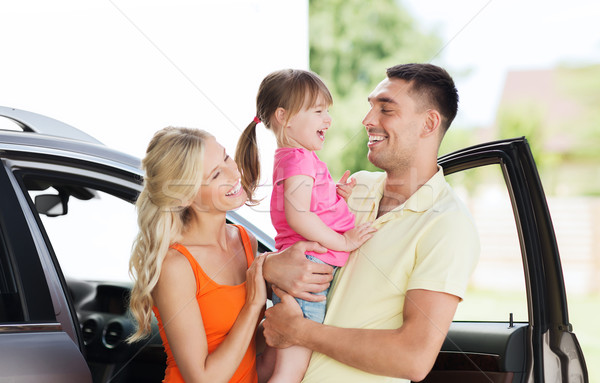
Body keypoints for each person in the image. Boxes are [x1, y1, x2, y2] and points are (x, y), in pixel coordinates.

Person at [261, 63, 481, 382]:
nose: (367, 120)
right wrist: (269, 266)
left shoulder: (448, 226)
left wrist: (301, 332)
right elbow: (296, 249)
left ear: (428, 123)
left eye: (385, 109)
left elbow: (413, 357)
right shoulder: (356, 187)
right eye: (370, 107)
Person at [235, 69, 375, 383]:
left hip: (302, 270)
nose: (328, 119)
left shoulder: (297, 157)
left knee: (272, 366)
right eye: (318, 111)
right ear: (283, 116)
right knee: (291, 371)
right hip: (308, 274)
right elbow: (298, 217)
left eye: (328, 111)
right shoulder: (299, 159)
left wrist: (336, 199)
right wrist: (345, 242)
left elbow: (306, 207)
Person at [128, 127, 268, 383]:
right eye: (216, 175)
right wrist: (253, 305)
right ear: (183, 197)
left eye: (226, 158)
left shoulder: (245, 240)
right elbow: (202, 379)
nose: (233, 173)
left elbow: (247, 346)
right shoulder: (176, 266)